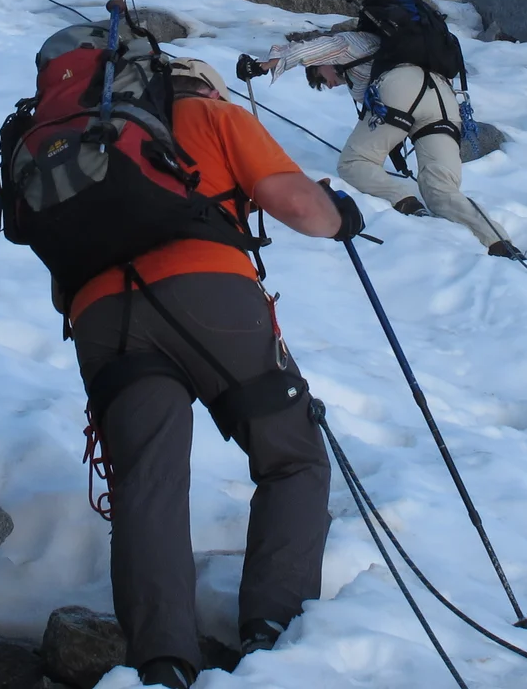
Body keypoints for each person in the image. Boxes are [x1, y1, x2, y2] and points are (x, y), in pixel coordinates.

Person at [63, 57, 354, 687]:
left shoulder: (86, 141)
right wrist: (342, 216)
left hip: (101, 318)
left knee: (147, 481)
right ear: (204, 86)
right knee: (293, 457)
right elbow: (298, 206)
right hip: (209, 295)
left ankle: (161, 663)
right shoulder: (212, 115)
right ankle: (272, 635)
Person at [237, 22, 521, 258]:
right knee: (442, 190)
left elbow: (308, 49)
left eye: (321, 77)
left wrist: (264, 65)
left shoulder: (349, 42)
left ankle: (408, 203)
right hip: (444, 98)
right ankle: (499, 243)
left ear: (323, 64)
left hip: (402, 86)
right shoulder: (386, 51)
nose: (330, 84)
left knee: (353, 162)